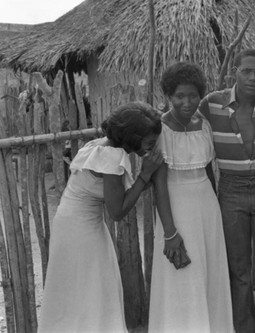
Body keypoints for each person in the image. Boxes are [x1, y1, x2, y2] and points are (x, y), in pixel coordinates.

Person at [38, 102, 163, 332]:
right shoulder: (111, 159)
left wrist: (143, 181)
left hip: (74, 223)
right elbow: (117, 212)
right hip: (80, 230)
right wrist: (145, 175)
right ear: (133, 137)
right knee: (93, 286)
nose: (152, 145)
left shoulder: (99, 145)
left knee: (83, 287)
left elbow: (118, 194)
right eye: (149, 141)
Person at [198, 49, 255, 333]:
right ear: (234, 71)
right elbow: (180, 122)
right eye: (246, 70)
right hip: (231, 193)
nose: (253, 77)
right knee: (239, 271)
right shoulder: (212, 104)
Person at [148, 62, 233, 332]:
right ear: (168, 97)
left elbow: (209, 170)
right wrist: (170, 232)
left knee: (209, 269)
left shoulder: (204, 124)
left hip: (206, 206)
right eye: (179, 96)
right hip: (176, 206)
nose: (187, 102)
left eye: (193, 95)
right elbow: (159, 184)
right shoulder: (161, 129)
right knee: (183, 271)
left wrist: (216, 208)